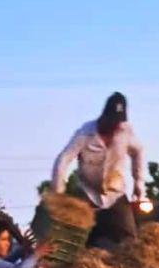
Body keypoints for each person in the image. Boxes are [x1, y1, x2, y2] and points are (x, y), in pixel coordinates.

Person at [50, 91, 145, 248]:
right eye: (112, 121)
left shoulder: (125, 132)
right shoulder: (85, 133)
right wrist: (59, 191)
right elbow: (63, 159)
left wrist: (138, 182)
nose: (114, 127)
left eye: (118, 123)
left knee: (130, 242)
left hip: (115, 194)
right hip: (88, 194)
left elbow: (138, 151)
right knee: (73, 241)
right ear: (104, 116)